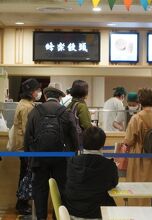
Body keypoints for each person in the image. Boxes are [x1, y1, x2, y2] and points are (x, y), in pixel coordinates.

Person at [24, 85, 78, 220]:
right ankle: (58, 217)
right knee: (60, 190)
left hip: (39, 158)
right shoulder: (66, 112)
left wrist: (29, 159)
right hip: (61, 159)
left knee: (40, 190)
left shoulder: (35, 111)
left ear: (46, 97)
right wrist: (73, 156)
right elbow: (74, 137)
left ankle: (41, 217)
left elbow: (27, 137)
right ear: (59, 98)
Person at [123, 88, 152, 206]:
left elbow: (129, 140)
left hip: (140, 157)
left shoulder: (136, 118)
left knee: (139, 189)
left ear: (140, 101)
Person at [64, 127, 118, 219]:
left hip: (71, 212)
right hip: (97, 213)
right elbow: (113, 183)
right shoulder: (109, 166)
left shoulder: (72, 161)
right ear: (102, 144)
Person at [12, 78, 41, 215]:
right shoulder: (27, 107)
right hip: (26, 147)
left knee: (24, 174)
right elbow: (27, 130)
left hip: (22, 147)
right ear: (31, 92)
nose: (38, 93)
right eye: (37, 90)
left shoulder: (24, 104)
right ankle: (22, 204)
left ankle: (22, 202)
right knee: (25, 175)